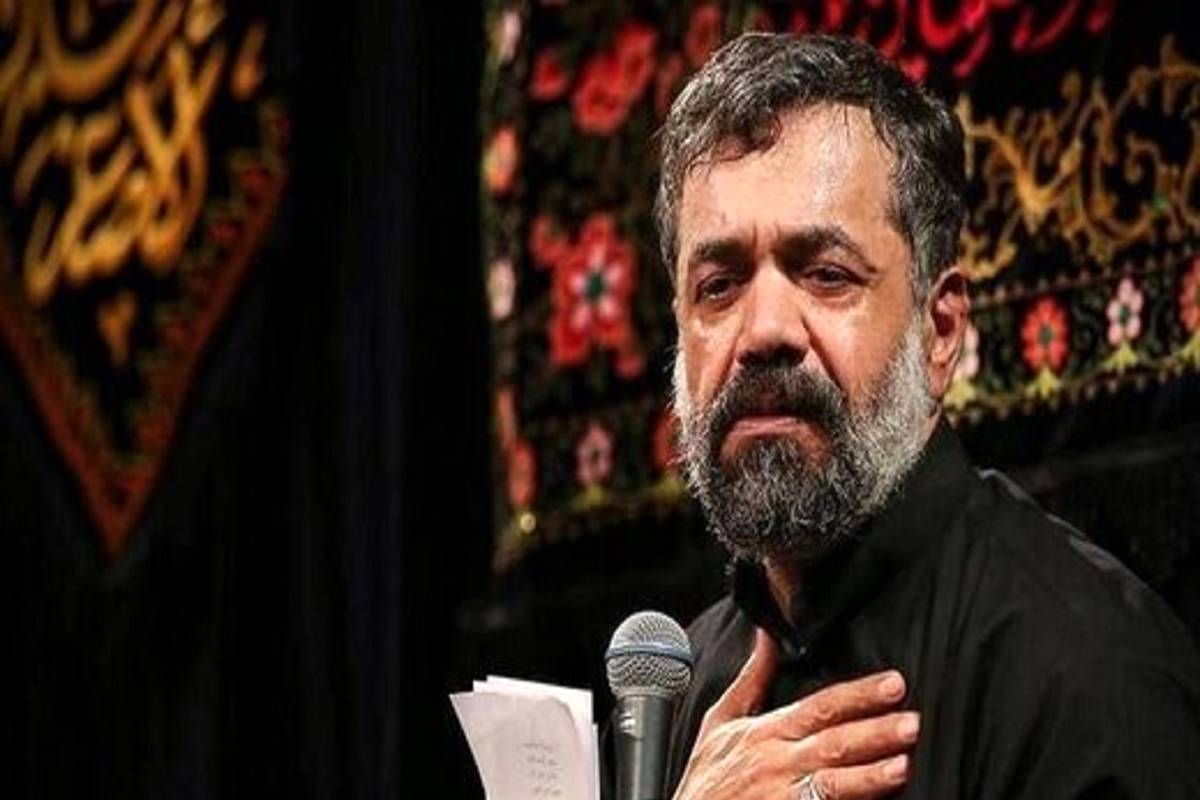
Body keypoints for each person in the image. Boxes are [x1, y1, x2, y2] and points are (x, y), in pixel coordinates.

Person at [655, 32, 1200, 799]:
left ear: (939, 331)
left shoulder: (1087, 674)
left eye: (827, 275)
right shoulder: (673, 697)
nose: (764, 331)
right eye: (718, 286)